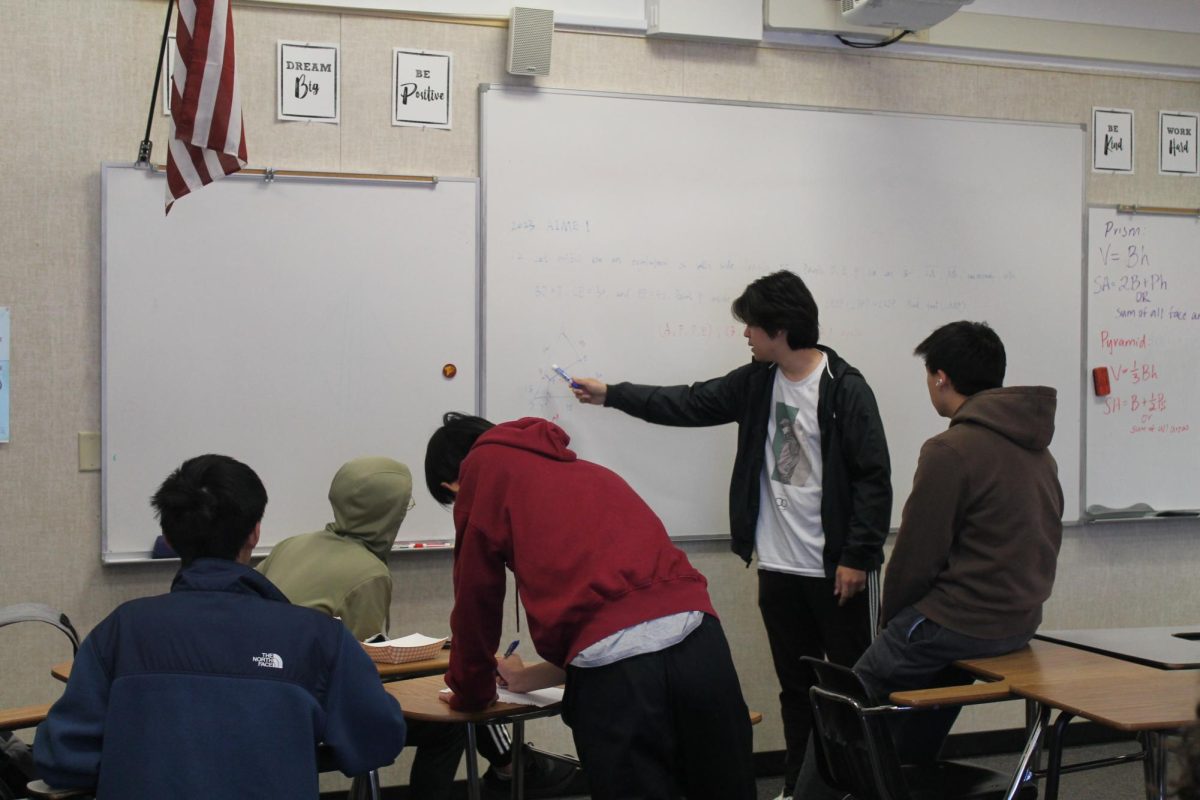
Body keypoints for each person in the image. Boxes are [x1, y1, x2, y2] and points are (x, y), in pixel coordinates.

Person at [570, 269, 892, 799]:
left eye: (751, 327)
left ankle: (864, 789)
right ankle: (798, 788)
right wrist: (612, 395)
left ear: (779, 330)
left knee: (851, 691)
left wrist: (857, 556)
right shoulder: (757, 382)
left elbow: (873, 478)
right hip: (780, 566)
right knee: (796, 690)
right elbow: (689, 403)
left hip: (836, 571)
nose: (745, 335)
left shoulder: (844, 389)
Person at [33, 454, 407, 799]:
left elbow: (62, 756)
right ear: (255, 532)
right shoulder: (317, 637)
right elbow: (377, 740)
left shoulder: (121, 630)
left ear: (169, 536)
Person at [425, 413, 757, 800]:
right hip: (702, 644)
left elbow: (475, 610)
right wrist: (528, 678)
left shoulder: (483, 493)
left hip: (618, 680)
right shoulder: (591, 473)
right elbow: (633, 615)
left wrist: (470, 693)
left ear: (454, 483)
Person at [854, 321, 1064, 762]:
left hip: (956, 625)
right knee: (924, 706)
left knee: (845, 705)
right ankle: (909, 781)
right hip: (1017, 625)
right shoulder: (1041, 453)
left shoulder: (950, 450)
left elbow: (915, 559)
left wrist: (891, 627)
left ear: (941, 377)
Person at [257, 457, 465, 799]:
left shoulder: (291, 545)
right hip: (311, 713)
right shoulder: (368, 572)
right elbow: (362, 667)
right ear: (389, 511)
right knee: (446, 727)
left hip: (262, 700)